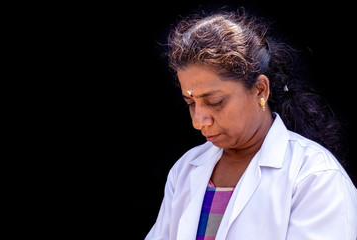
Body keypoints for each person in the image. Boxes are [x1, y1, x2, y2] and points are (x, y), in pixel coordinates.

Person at [145, 9, 357, 240]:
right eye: (190, 103)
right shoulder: (186, 170)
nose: (198, 121)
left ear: (260, 90)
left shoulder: (315, 177)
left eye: (215, 102)